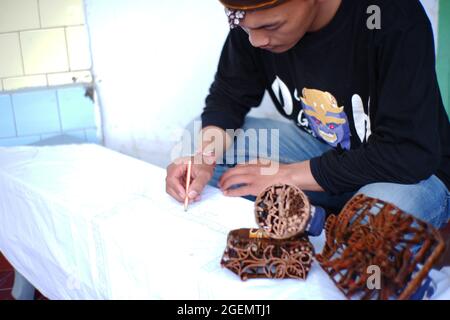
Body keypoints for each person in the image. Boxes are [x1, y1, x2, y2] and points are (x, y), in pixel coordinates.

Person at [166, 0, 450, 227]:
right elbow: (228, 97)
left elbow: (408, 153)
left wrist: (289, 175)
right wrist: (202, 160)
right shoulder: (253, 18)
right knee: (198, 140)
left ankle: (327, 217)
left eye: (271, 26)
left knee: (366, 242)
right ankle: (323, 213)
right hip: (323, 153)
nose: (256, 41)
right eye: (244, 27)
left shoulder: (389, 16)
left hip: (408, 175)